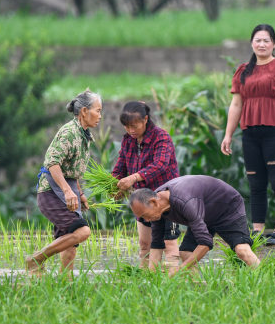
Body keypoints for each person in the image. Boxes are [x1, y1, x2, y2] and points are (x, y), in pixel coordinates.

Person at [221, 24, 275, 246]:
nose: (262, 44)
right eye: (258, 40)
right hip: (250, 133)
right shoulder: (243, 71)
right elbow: (236, 104)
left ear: (274, 44)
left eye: (266, 40)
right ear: (251, 43)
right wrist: (228, 134)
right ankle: (257, 231)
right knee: (255, 183)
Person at [26, 90, 102, 275]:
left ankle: (65, 282)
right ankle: (35, 259)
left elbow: (72, 168)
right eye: (98, 111)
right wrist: (68, 192)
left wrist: (80, 193)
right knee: (82, 232)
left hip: (68, 189)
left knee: (70, 241)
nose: (100, 116)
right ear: (84, 111)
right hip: (52, 192)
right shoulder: (69, 132)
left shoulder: (84, 135)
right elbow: (52, 162)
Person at [129, 175, 260, 275]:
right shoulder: (156, 207)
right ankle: (200, 289)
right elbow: (157, 243)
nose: (146, 220)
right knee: (186, 252)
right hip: (203, 211)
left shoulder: (185, 201)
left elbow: (205, 243)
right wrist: (152, 276)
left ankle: (266, 280)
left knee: (242, 250)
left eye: (145, 215)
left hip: (227, 207)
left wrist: (180, 269)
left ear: (154, 202)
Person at [112, 101, 181, 268]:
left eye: (134, 126)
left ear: (145, 120)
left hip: (163, 199)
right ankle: (147, 281)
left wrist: (134, 178)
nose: (131, 131)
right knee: (144, 244)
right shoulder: (128, 140)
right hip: (141, 200)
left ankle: (176, 282)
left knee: (169, 245)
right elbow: (121, 165)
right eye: (127, 127)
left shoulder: (161, 137)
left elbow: (160, 164)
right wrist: (115, 183)